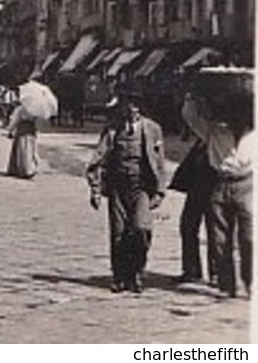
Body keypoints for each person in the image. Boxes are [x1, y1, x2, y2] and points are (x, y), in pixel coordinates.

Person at [85, 89, 167, 294]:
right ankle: (120, 277)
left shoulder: (153, 129)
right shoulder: (112, 130)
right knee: (118, 233)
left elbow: (160, 163)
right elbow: (97, 159)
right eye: (128, 104)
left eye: (136, 104)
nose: (132, 109)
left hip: (142, 188)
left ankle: (138, 270)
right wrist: (95, 190)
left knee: (142, 228)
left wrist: (160, 192)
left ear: (142, 107)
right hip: (118, 188)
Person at [182, 86, 253, 299]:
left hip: (247, 185)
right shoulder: (214, 131)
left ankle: (250, 282)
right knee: (220, 239)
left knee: (250, 237)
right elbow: (190, 117)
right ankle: (226, 284)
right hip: (220, 185)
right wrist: (191, 94)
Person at [169, 135, 216, 285]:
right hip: (196, 189)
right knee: (188, 226)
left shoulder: (225, 136)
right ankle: (191, 271)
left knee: (215, 232)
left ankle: (217, 274)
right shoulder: (203, 138)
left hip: (216, 191)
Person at [5, 104, 39, 179]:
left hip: (23, 130)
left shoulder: (20, 109)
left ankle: (25, 169)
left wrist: (10, 129)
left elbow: (15, 120)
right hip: (30, 131)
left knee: (24, 150)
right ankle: (28, 168)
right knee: (29, 150)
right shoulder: (35, 110)